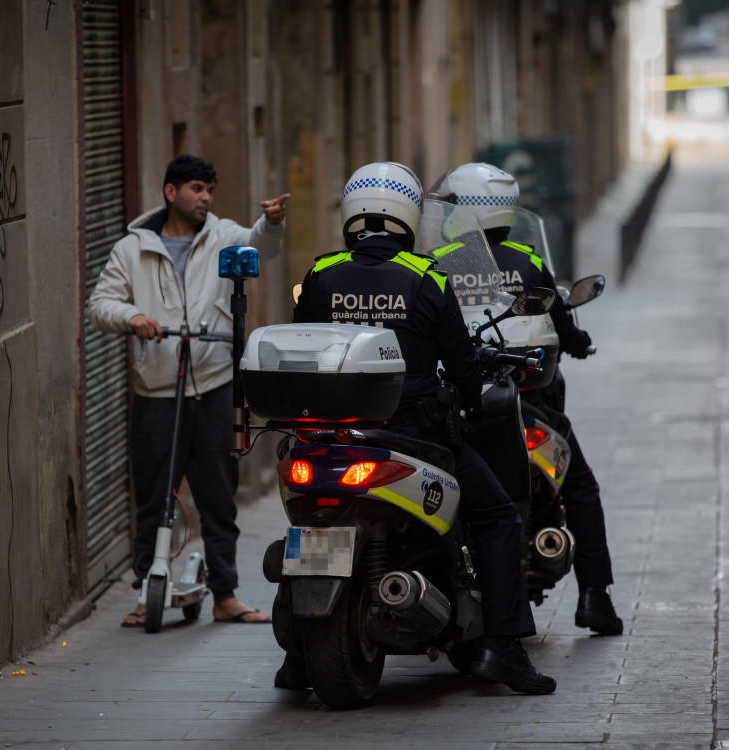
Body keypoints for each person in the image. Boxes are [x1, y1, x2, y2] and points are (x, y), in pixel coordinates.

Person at [278, 161, 556, 694]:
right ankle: (505, 647)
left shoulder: (321, 274)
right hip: (415, 438)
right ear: (409, 215)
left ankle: (297, 658)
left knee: (307, 519)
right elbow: (465, 366)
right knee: (498, 516)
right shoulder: (427, 278)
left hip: (330, 439)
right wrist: (470, 403)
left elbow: (304, 346)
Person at [86, 154, 290, 627]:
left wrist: (271, 222)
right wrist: (132, 317)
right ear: (170, 192)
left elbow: (261, 246)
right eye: (197, 188)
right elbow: (101, 305)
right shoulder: (133, 249)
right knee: (154, 494)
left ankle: (225, 594)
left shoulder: (223, 236)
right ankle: (146, 591)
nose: (205, 198)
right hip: (157, 389)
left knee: (219, 497)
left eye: (210, 191)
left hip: (214, 385)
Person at [433, 162, 623, 636]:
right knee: (579, 485)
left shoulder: (439, 264)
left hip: (458, 401)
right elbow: (563, 326)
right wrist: (578, 343)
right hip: (521, 400)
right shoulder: (529, 261)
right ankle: (595, 597)